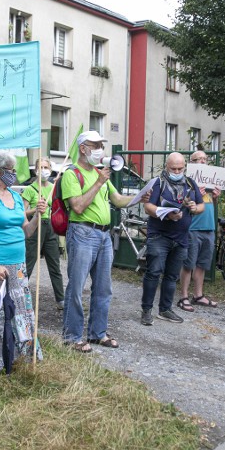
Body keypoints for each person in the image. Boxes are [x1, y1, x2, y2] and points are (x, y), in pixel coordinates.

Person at [61, 131, 147, 353]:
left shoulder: (101, 175)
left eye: (101, 145)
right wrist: (99, 182)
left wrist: (140, 197)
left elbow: (118, 200)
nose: (100, 149)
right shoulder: (72, 174)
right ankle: (72, 336)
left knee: (103, 288)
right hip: (82, 232)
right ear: (83, 148)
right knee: (77, 286)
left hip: (103, 235)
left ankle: (97, 333)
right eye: (96, 144)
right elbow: (78, 206)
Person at [0, 151, 45, 371]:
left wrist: (38, 215)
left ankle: (19, 355)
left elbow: (26, 231)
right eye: (11, 170)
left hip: (19, 264)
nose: (14, 174)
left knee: (21, 310)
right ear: (0, 171)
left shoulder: (14, 196)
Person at [140, 152, 204, 324]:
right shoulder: (157, 182)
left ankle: (165, 309)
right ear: (166, 167)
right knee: (153, 272)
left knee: (171, 276)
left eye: (180, 168)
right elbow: (148, 207)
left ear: (185, 167)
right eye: (173, 168)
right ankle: (146, 310)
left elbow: (201, 205)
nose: (177, 171)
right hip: (159, 236)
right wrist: (166, 215)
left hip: (181, 238)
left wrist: (194, 208)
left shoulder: (190, 183)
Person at [178, 151, 221, 310]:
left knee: (202, 264)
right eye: (198, 160)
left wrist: (215, 198)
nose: (202, 162)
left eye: (204, 159)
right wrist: (195, 194)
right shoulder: (187, 181)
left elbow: (211, 207)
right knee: (189, 264)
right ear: (192, 162)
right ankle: (183, 297)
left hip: (208, 228)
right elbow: (182, 202)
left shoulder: (210, 181)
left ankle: (198, 295)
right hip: (193, 228)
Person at [21, 157, 65, 310]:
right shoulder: (30, 189)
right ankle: (20, 295)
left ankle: (61, 299)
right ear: (36, 170)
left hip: (51, 227)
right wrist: (36, 209)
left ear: (51, 170)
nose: (44, 170)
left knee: (55, 264)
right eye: (41, 167)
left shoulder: (54, 187)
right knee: (29, 263)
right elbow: (22, 213)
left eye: (46, 167)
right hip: (35, 226)